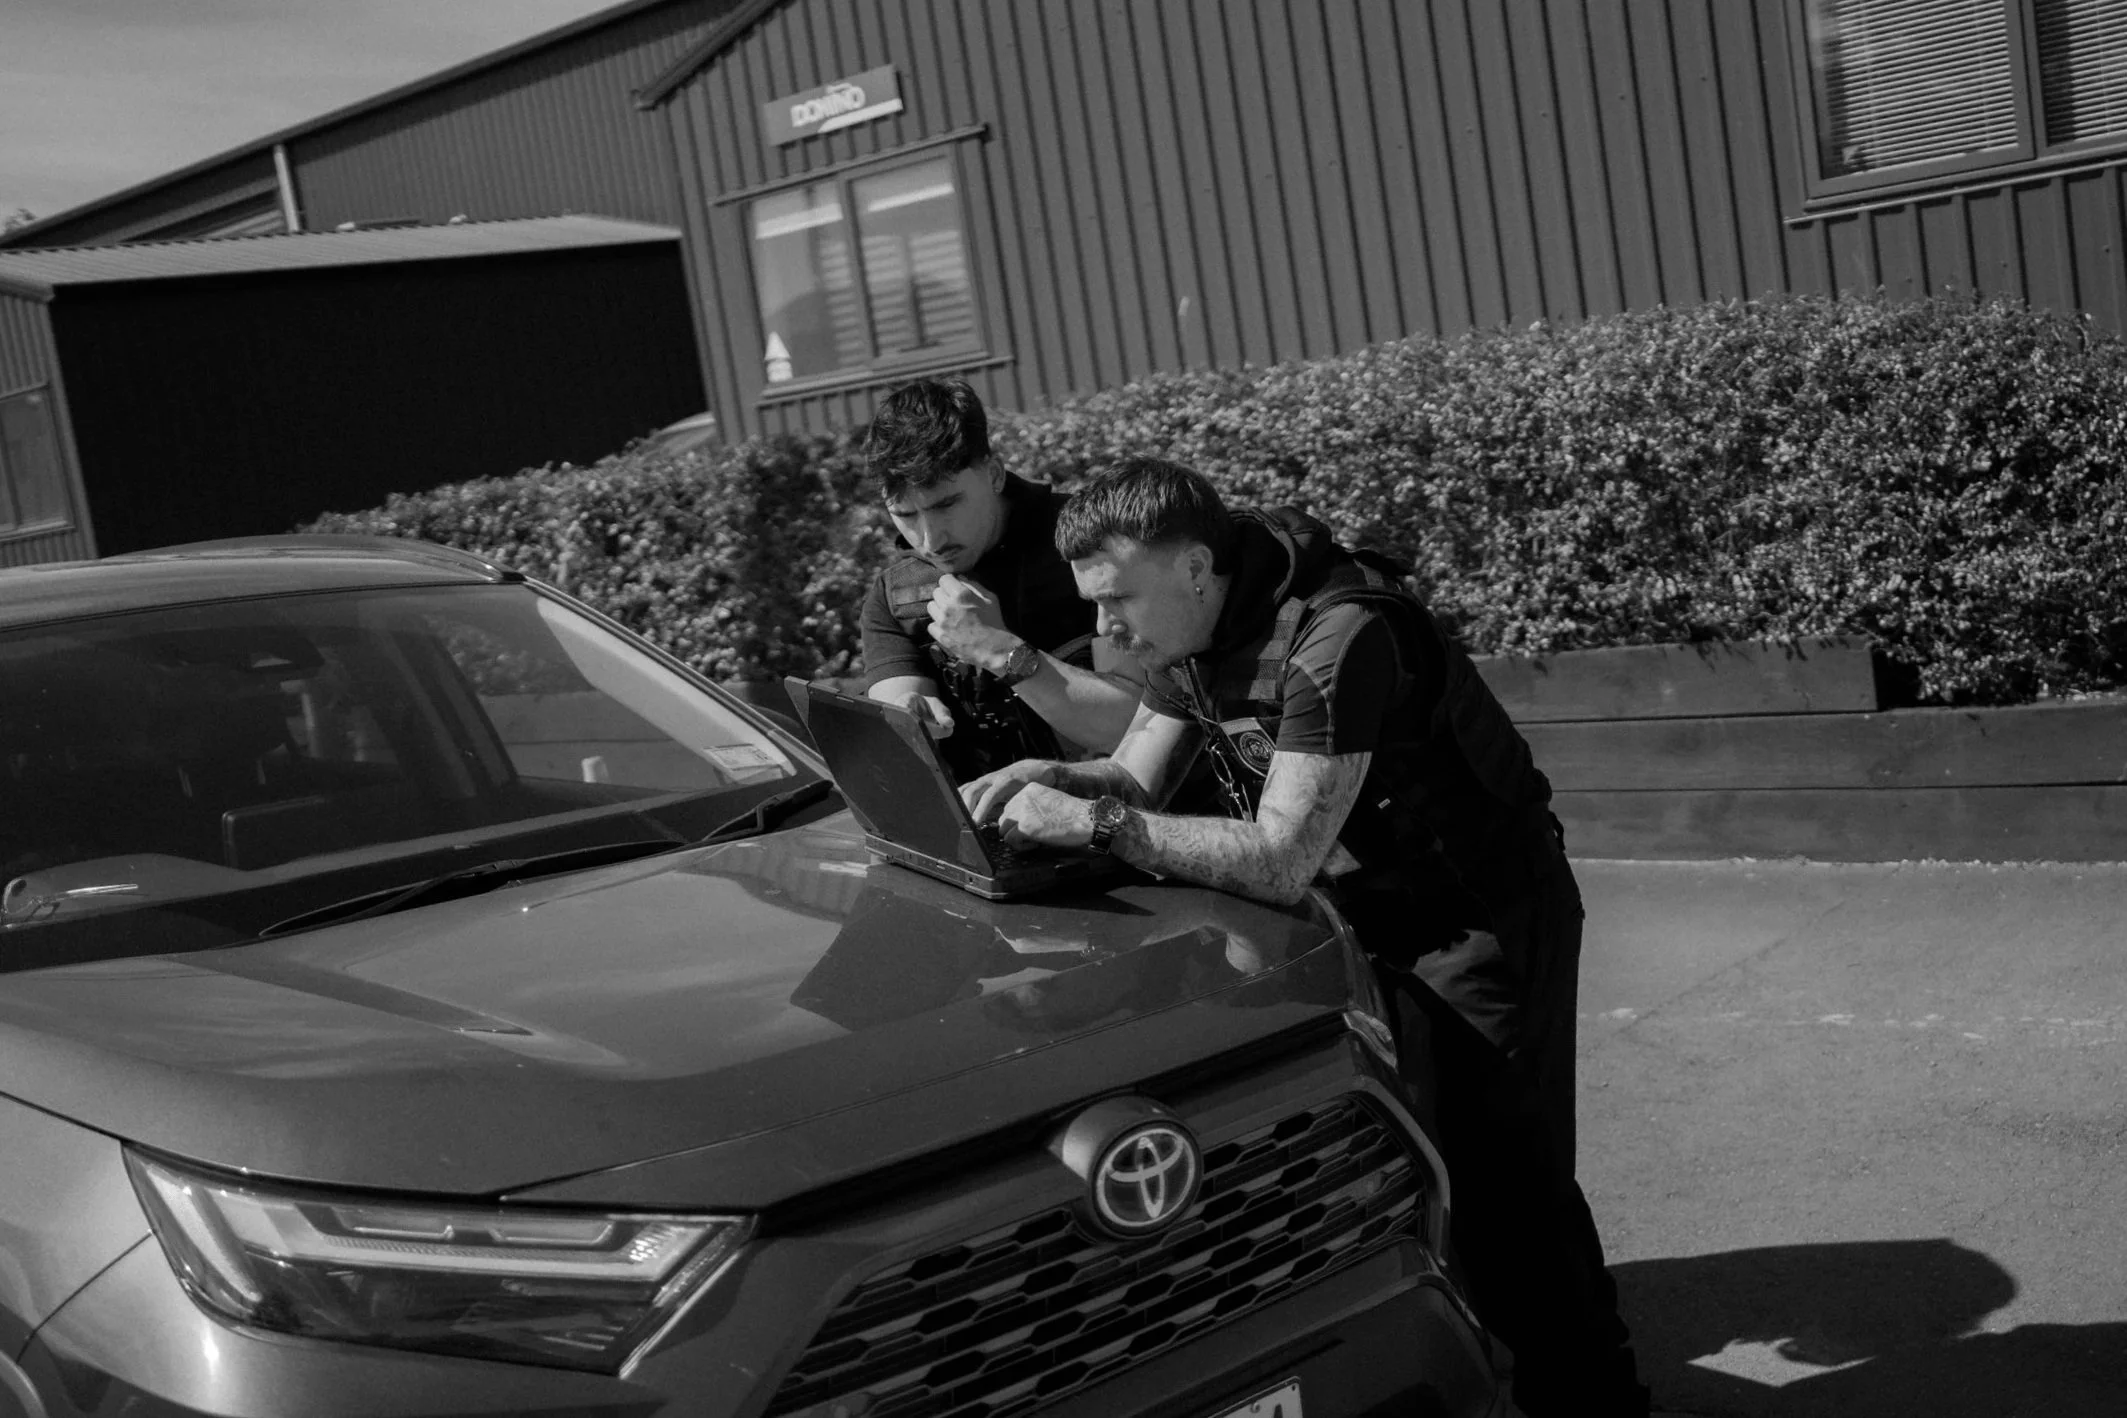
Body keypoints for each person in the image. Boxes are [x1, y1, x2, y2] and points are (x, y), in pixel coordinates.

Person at [958, 458, 1649, 1417]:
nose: (1106, 631)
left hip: (1474, 915)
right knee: (1407, 1164)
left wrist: (1099, 826)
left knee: (1509, 1189)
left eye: (1117, 600)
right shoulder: (1192, 619)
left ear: (1193, 568)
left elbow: (1282, 857)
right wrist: (1058, 781)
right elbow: (1138, 776)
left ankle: (1595, 1400)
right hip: (1364, 912)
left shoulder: (1340, 635)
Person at [858, 379, 1142, 782]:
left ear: (993, 474)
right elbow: (898, 735)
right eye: (905, 515)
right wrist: (912, 718)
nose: (930, 539)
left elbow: (1136, 725)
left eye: (947, 504)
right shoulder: (896, 595)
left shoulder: (1092, 546)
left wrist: (998, 649)